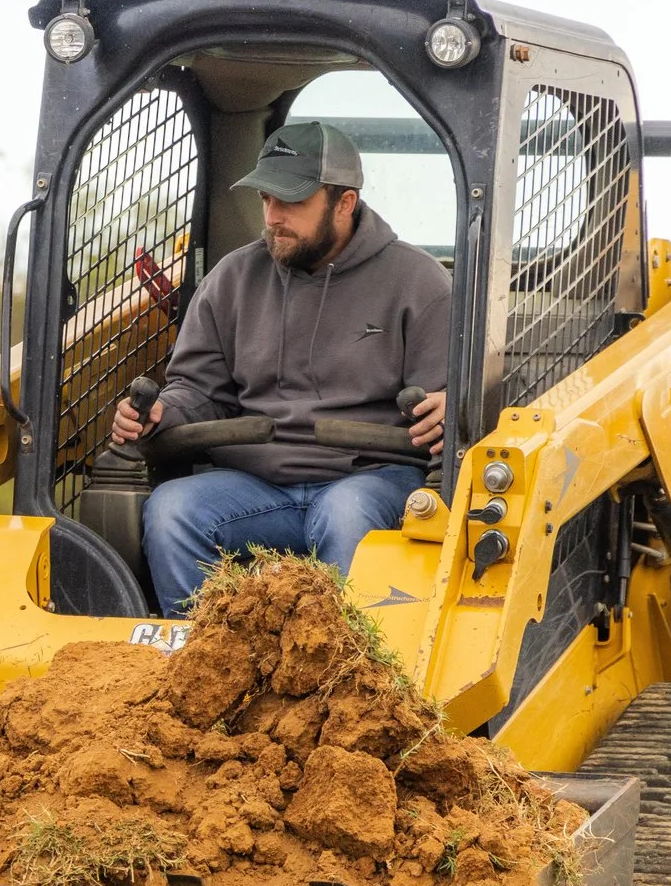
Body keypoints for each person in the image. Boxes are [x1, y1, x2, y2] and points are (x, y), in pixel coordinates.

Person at [112, 118, 451, 613]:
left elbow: (449, 400)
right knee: (173, 510)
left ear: (345, 202)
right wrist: (164, 412)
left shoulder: (419, 281)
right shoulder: (232, 278)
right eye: (266, 200)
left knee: (346, 512)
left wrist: (450, 407)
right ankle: (201, 670)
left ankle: (347, 678)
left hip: (373, 477)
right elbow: (197, 389)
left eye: (291, 201)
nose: (273, 216)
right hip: (259, 483)